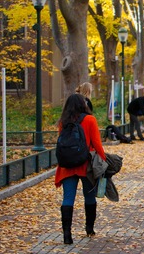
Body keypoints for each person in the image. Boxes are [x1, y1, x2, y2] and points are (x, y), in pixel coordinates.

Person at [55, 94, 106, 244]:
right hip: (86, 165)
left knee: (68, 198)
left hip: (68, 166)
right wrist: (103, 161)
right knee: (89, 196)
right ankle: (89, 228)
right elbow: (96, 143)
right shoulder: (90, 120)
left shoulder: (63, 122)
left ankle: (67, 234)